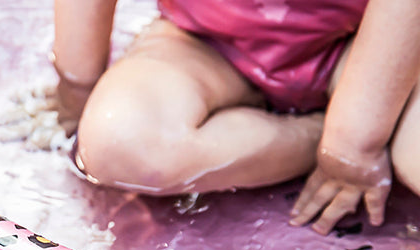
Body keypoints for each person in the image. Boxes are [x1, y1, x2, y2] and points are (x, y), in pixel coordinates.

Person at [50, 0, 420, 235]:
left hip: (367, 53)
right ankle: (311, 136)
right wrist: (77, 84)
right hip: (202, 42)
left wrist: (355, 143)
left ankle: (355, 135)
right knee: (121, 142)